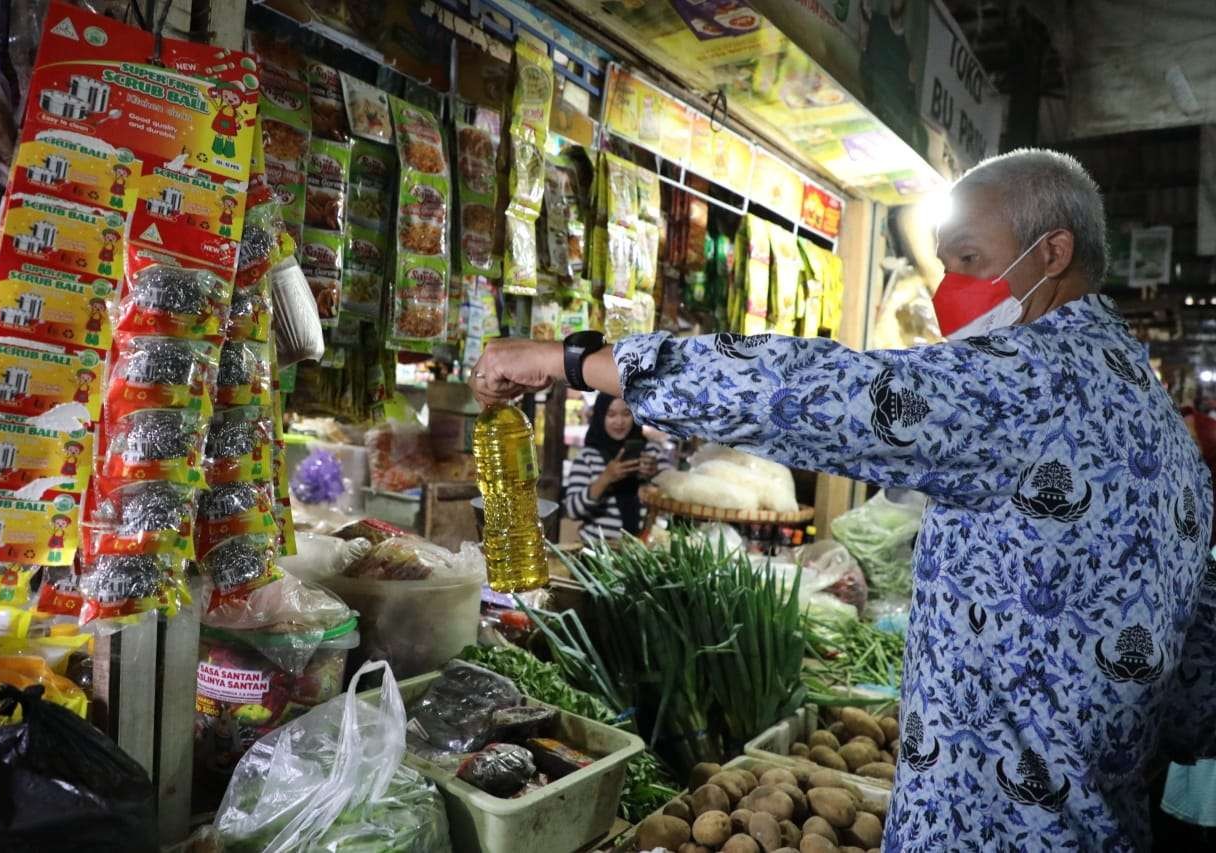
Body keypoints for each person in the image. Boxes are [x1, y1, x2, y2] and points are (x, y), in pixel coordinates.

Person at [470, 148, 1216, 850]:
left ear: (1051, 254)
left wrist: (572, 359)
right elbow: (1190, 694)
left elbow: (816, 391)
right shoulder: (1156, 423)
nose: (949, 286)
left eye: (968, 259)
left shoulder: (1033, 380)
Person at [563, 393, 659, 544]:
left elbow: (672, 499)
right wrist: (605, 479)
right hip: (596, 554)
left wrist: (655, 477)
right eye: (611, 414)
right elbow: (572, 511)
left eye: (626, 414)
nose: (619, 422)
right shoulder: (588, 457)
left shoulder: (651, 452)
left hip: (642, 554)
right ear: (601, 417)